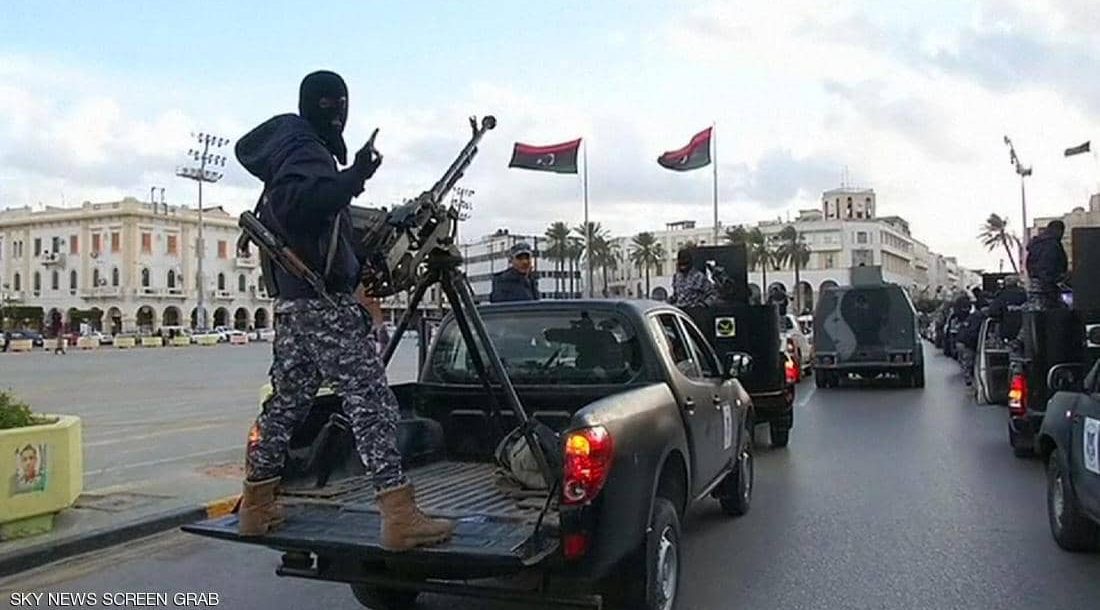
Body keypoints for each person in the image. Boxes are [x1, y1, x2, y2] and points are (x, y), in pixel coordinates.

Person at [233, 70, 452, 550]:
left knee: (286, 404)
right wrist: (357, 174)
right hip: (322, 307)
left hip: (294, 306)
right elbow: (303, 206)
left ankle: (256, 505)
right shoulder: (306, 150)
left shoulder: (288, 153)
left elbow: (312, 221)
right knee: (371, 402)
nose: (340, 114)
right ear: (321, 106)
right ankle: (399, 514)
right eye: (335, 105)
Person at [1025, 220, 1069, 310]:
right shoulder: (1052, 244)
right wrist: (1057, 278)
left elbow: (1029, 263)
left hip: (1035, 284)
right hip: (1048, 286)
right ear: (1058, 230)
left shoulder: (1037, 244)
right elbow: (1050, 265)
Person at [987, 275, 1027, 341]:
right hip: (1024, 330)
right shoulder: (1024, 294)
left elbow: (993, 311)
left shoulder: (1002, 295)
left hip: (1007, 330)